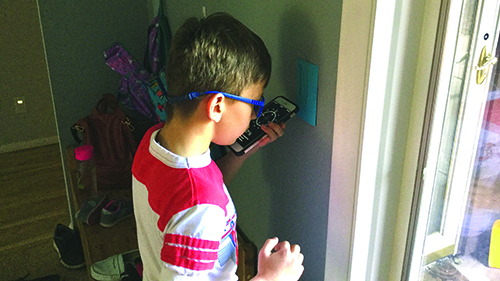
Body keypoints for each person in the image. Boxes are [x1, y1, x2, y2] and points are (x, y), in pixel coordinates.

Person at [132, 12, 304, 281]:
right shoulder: (199, 211)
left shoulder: (155, 143)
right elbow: (196, 203)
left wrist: (244, 151)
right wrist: (271, 278)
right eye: (255, 104)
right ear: (217, 106)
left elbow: (193, 185)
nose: (255, 116)